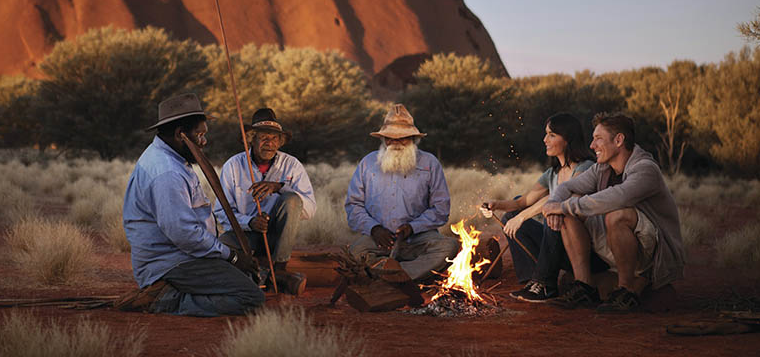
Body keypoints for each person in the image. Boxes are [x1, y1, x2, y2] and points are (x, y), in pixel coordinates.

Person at [121, 93, 265, 316]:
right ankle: (167, 300)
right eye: (200, 135)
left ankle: (179, 291)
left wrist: (229, 256)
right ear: (180, 134)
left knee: (245, 276)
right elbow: (184, 235)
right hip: (170, 263)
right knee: (251, 298)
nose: (204, 141)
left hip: (183, 255)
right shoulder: (167, 172)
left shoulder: (172, 158)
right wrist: (232, 256)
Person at [542, 112, 685, 312]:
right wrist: (555, 205)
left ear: (619, 140)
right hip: (616, 244)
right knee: (569, 210)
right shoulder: (602, 168)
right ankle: (584, 286)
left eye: (598, 139)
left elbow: (617, 197)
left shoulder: (645, 169)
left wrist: (563, 206)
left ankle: (626, 291)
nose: (592, 146)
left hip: (653, 254)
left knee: (617, 214)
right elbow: (567, 187)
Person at [480, 113, 595, 302]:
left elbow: (561, 199)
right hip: (556, 244)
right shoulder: (552, 173)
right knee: (511, 215)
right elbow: (523, 201)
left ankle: (545, 284)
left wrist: (522, 217)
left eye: (551, 135)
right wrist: (496, 204)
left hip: (581, 247)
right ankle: (532, 280)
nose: (545, 139)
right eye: (546, 134)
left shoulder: (586, 168)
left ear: (567, 139)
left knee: (555, 213)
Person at [344, 104, 459, 281]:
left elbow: (441, 209)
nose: (396, 142)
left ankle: (393, 275)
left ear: (414, 138)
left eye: (403, 138)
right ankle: (400, 274)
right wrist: (374, 229)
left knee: (449, 247)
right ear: (383, 139)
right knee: (354, 252)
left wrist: (412, 228)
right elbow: (353, 206)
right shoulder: (367, 163)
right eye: (390, 138)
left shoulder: (430, 163)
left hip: (418, 239)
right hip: (379, 241)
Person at [215, 107, 317, 295]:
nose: (269, 143)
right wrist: (250, 222)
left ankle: (279, 270)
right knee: (220, 247)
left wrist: (280, 187)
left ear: (281, 142)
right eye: (263, 137)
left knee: (292, 199)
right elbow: (222, 212)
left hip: (279, 239)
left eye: (275, 138)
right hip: (245, 236)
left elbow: (310, 210)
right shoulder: (233, 166)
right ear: (251, 139)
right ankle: (265, 277)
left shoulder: (292, 165)